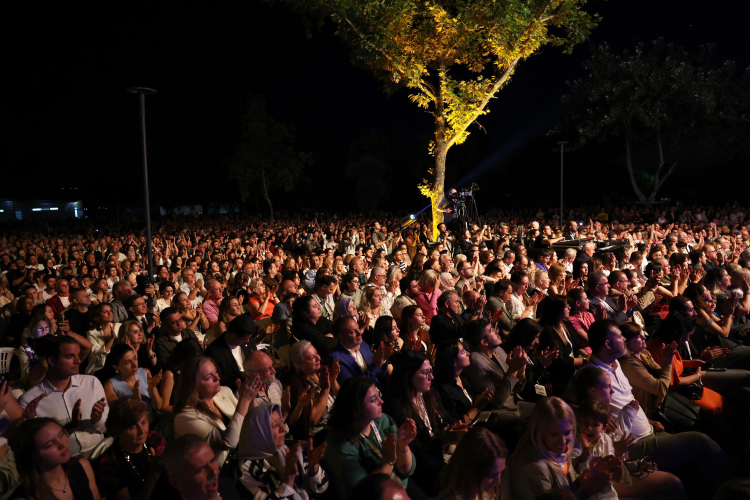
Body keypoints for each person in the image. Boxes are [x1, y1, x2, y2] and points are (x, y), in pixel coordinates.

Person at [585, 318, 727, 500]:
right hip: (633, 443)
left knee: (702, 466)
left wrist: (648, 420)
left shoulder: (617, 364)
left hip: (649, 430)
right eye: (620, 336)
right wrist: (595, 413)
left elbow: (627, 399)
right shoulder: (590, 374)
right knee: (702, 441)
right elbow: (567, 403)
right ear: (607, 344)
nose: (624, 339)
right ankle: (738, 477)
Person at [572, 374, 688, 500]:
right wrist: (587, 453)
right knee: (673, 481)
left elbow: (617, 470)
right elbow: (579, 475)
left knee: (665, 494)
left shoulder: (604, 438)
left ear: (604, 428)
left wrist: (621, 455)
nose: (589, 428)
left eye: (594, 425)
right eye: (584, 423)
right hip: (603, 489)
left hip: (615, 480)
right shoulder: (575, 442)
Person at [382, 350, 469, 496]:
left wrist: (450, 431)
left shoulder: (427, 394)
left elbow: (434, 430)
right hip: (421, 474)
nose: (431, 377)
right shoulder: (397, 409)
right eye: (425, 373)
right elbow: (416, 456)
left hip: (437, 460)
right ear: (408, 376)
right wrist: (444, 441)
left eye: (431, 371)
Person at [322, 377, 417, 500]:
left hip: (400, 485)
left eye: (378, 396)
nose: (381, 401)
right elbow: (362, 493)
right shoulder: (341, 443)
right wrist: (388, 461)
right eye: (373, 400)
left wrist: (402, 445)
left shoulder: (383, 421)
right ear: (357, 409)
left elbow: (405, 471)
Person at [502, 397, 614, 500]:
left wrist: (584, 480)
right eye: (554, 434)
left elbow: (567, 488)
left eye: (567, 433)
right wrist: (585, 492)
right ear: (539, 431)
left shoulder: (556, 451)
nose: (563, 441)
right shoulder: (534, 468)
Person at [18, 336, 109, 458]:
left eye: (78, 355)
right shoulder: (30, 400)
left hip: (101, 452)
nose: (78, 361)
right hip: (64, 462)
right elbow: (29, 447)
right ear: (52, 361)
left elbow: (107, 427)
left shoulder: (91, 382)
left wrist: (96, 420)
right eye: (70, 356)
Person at [173, 356, 261, 467]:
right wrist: (244, 400)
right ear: (194, 386)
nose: (217, 377)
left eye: (215, 371)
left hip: (246, 459)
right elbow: (228, 442)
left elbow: (257, 424)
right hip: (218, 471)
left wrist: (251, 399)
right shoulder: (184, 418)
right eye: (208, 377)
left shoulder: (225, 392)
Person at [236, 403, 329, 500]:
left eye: (281, 421)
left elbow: (322, 488)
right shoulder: (245, 471)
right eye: (275, 425)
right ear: (260, 433)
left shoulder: (291, 448)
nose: (283, 428)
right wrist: (289, 478)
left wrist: (313, 468)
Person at [96, 398, 172, 500]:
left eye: (144, 422)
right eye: (132, 427)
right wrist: (153, 474)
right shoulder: (111, 465)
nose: (142, 431)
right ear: (117, 431)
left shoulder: (154, 439)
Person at [10, 418, 101, 500]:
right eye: (50, 444)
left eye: (61, 434)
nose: (62, 444)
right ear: (32, 455)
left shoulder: (82, 466)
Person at [617, 322, 674, 419]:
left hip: (658, 405)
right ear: (626, 343)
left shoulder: (644, 353)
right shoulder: (630, 364)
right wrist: (668, 364)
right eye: (638, 336)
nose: (644, 337)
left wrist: (665, 361)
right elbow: (661, 389)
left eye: (641, 333)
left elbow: (662, 375)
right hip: (644, 415)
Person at [434, 426, 507, 500]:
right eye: (491, 475)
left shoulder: (483, 491)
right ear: (468, 470)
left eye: (500, 472)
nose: (498, 482)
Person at [432, 339, 494, 425]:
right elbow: (455, 423)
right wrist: (476, 407)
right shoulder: (443, 389)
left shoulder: (463, 378)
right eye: (463, 352)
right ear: (454, 361)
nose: (468, 353)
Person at [286, 340, 337, 442]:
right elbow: (313, 420)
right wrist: (325, 390)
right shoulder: (298, 385)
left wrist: (333, 380)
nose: (318, 358)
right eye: (311, 358)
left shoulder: (322, 371)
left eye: (316, 353)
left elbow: (341, 398)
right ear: (301, 365)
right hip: (320, 437)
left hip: (336, 427)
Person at [539, 295, 588, 396]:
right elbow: (561, 361)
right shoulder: (548, 330)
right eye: (566, 306)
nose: (570, 308)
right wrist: (585, 360)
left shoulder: (564, 324)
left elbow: (576, 347)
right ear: (557, 309)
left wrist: (588, 356)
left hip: (571, 369)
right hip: (558, 377)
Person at [163, 434, 236, 500]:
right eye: (201, 469)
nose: (214, 472)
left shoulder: (228, 487)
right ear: (177, 482)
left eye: (212, 461)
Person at [501, 319, 559, 403]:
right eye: (535, 337)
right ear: (525, 336)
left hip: (537, 389)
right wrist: (541, 366)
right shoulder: (513, 354)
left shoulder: (530, 350)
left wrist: (545, 363)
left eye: (538, 337)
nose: (537, 341)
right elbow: (524, 388)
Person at [327, 317, 392, 385]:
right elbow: (353, 386)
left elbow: (379, 374)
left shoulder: (363, 345)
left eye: (358, 328)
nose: (359, 332)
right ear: (341, 337)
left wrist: (383, 360)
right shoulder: (335, 358)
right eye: (353, 332)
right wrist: (375, 365)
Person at [103, 344, 163, 414]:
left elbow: (158, 406)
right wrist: (135, 400)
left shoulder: (145, 372)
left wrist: (152, 388)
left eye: (134, 358)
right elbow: (117, 415)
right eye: (127, 362)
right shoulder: (110, 385)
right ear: (116, 367)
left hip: (152, 417)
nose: (135, 365)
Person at [204, 314, 257, 393]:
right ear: (233, 335)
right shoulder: (213, 352)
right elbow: (218, 382)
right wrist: (242, 375)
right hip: (233, 391)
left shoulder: (248, 340)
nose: (248, 341)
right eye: (244, 339)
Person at [160, 337, 203, 413]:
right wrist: (188, 410)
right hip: (177, 414)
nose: (196, 362)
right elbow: (164, 406)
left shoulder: (191, 370)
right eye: (193, 359)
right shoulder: (170, 375)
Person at [86, 302, 121, 375]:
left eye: (110, 311)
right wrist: (111, 340)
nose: (110, 313)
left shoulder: (119, 327)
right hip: (101, 367)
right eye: (105, 312)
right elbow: (98, 355)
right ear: (98, 316)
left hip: (120, 364)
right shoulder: (92, 333)